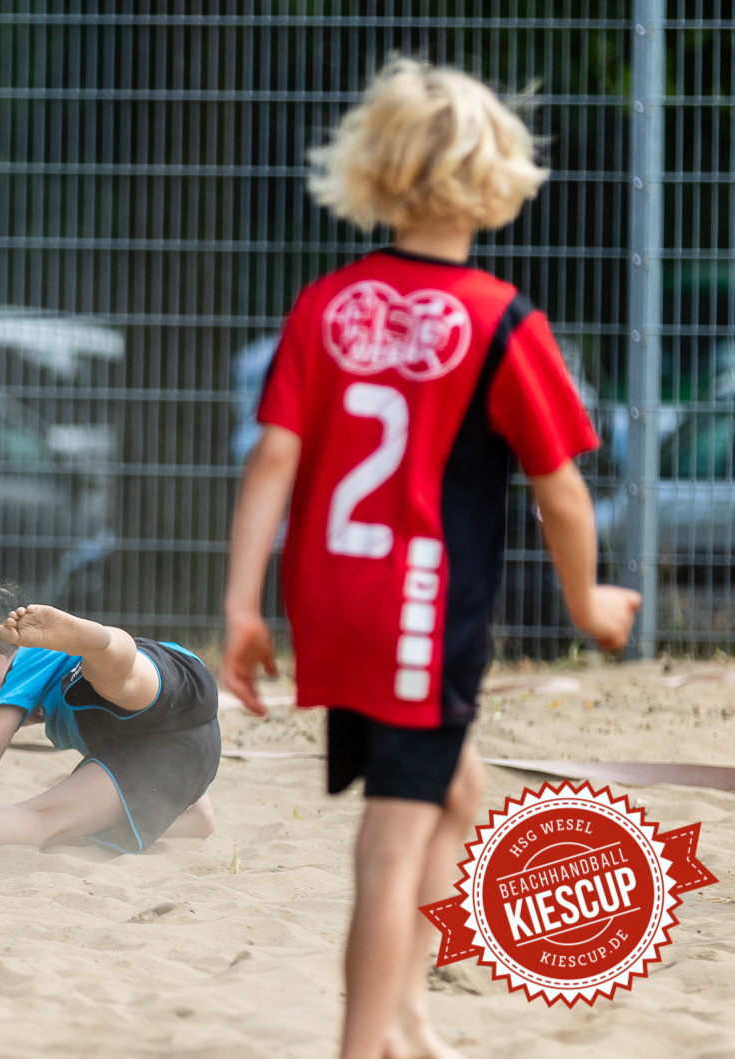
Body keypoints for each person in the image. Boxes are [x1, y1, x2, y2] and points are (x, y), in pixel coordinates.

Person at [219, 60, 641, 1059]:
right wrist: (588, 600)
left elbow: (272, 456)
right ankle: (365, 1042)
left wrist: (241, 604)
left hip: (336, 597)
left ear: (373, 168)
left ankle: (406, 1010)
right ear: (496, 176)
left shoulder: (326, 303)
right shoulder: (500, 318)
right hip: (419, 603)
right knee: (393, 841)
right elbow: (562, 489)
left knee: (460, 795)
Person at [0, 604, 220, 870]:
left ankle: (100, 642)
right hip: (184, 757)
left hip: (165, 685)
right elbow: (202, 820)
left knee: (120, 678)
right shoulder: (66, 721)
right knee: (46, 822)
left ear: (14, 648)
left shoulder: (32, 656)